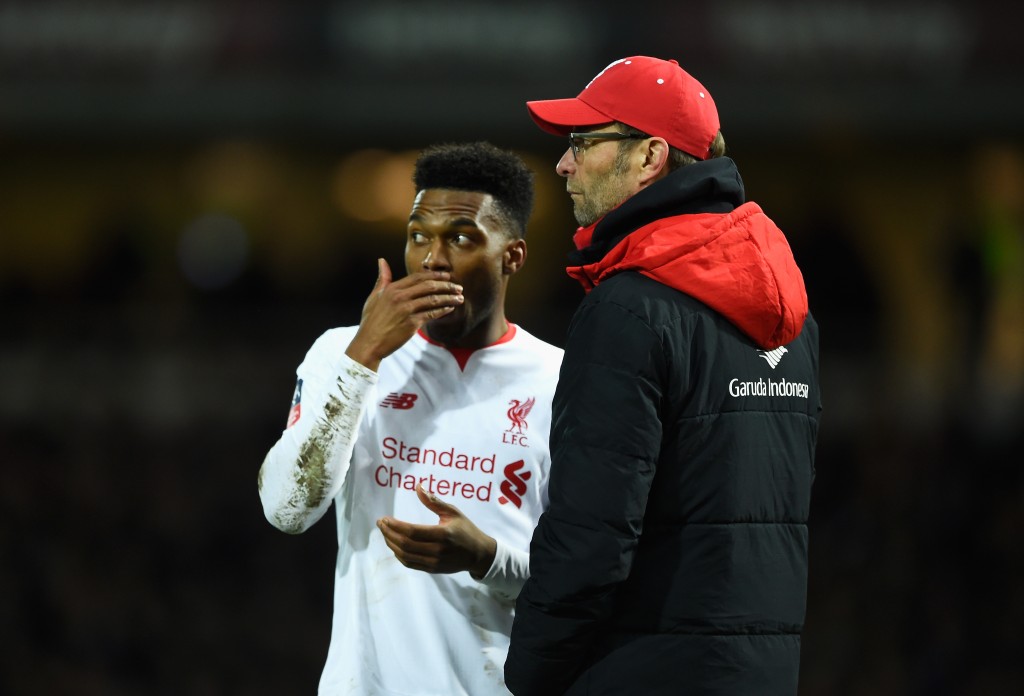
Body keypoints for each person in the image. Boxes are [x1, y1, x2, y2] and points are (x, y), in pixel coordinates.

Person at [504, 56, 822, 695]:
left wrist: (529, 672)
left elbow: (591, 533)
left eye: (584, 144)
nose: (564, 165)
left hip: (643, 668)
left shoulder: (630, 310)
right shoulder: (795, 317)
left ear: (650, 157)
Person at [258, 141, 563, 695]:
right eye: (418, 235)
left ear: (512, 256)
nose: (433, 259)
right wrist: (363, 357)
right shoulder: (342, 353)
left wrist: (486, 558)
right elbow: (286, 510)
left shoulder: (561, 382)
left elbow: (585, 576)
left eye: (461, 238)